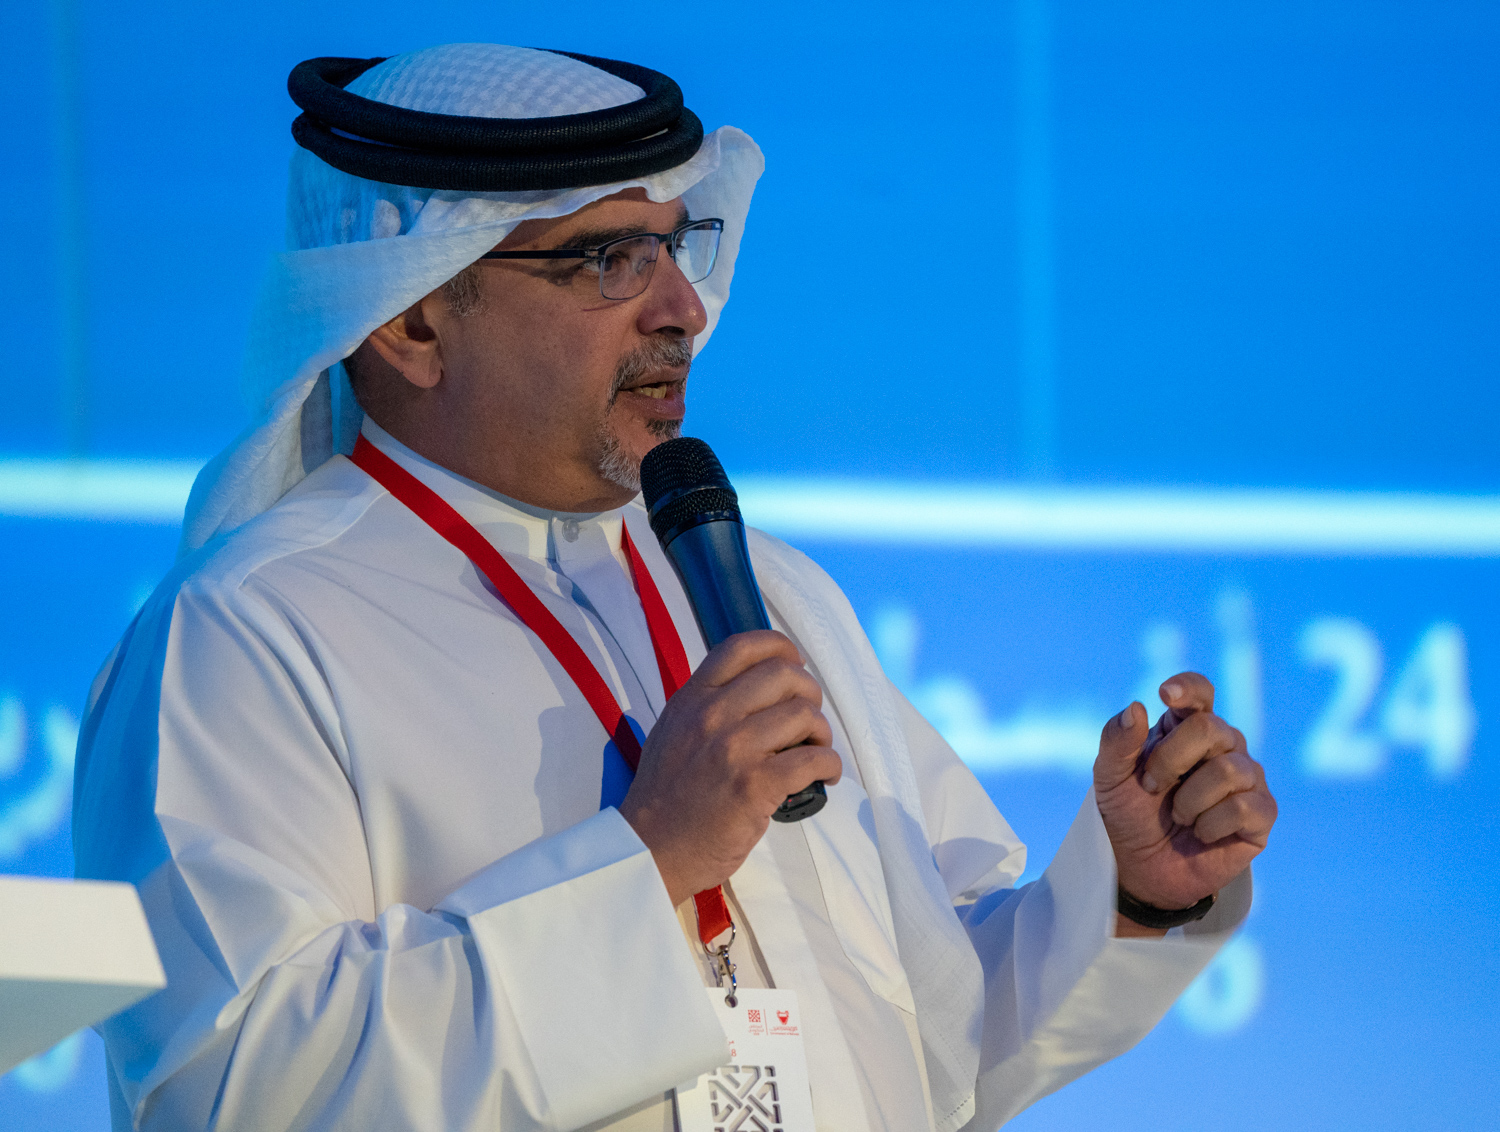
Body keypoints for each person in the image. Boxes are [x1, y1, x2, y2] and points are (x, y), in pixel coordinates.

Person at [73, 43, 1277, 1132]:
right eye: (609, 260)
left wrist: (1129, 896)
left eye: (674, 247)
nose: (683, 311)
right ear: (416, 322)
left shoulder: (767, 591)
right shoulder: (247, 631)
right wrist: (646, 860)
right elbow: (236, 1089)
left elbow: (931, 1034)